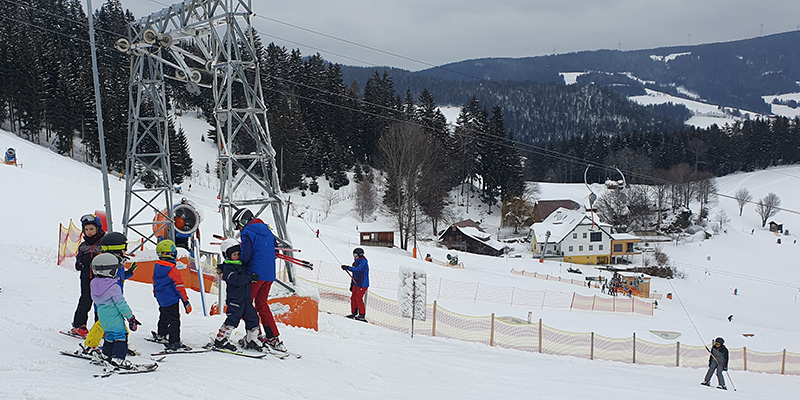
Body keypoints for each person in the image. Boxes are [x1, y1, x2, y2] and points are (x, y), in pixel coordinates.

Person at [233, 208, 286, 353]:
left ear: (243, 221)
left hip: (255, 274)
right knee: (262, 304)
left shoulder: (247, 232)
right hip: (269, 274)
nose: (239, 229)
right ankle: (273, 337)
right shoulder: (267, 229)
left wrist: (240, 265)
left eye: (238, 225)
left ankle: (254, 336)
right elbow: (276, 251)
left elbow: (245, 255)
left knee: (245, 303)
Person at [83, 232, 138, 353]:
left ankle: (120, 347)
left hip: (115, 301)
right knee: (101, 325)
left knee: (117, 328)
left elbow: (121, 277)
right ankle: (90, 345)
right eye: (124, 249)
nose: (126, 252)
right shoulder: (108, 264)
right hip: (107, 303)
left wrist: (131, 272)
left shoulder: (118, 263)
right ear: (116, 249)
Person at [89, 253, 141, 369]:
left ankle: (106, 355)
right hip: (114, 315)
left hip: (102, 316)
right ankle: (118, 358)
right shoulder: (113, 287)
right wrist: (130, 318)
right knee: (121, 335)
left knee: (110, 335)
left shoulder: (93, 283)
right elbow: (121, 304)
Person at [213, 239, 262, 351]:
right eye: (234, 254)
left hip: (245, 299)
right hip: (235, 300)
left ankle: (251, 340)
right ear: (227, 256)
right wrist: (249, 278)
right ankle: (221, 339)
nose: (237, 256)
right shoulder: (228, 268)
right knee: (233, 319)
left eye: (239, 254)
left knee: (253, 318)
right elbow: (236, 280)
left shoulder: (240, 265)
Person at [69, 214, 106, 338]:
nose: (89, 232)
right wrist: (79, 263)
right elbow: (78, 261)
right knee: (85, 300)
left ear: (98, 228)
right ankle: (79, 325)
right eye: (86, 229)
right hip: (86, 278)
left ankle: (100, 326)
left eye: (91, 229)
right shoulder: (83, 246)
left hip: (100, 279)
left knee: (101, 302)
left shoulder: (103, 243)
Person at [152, 239, 192, 350]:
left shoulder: (157, 267)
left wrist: (156, 294)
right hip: (172, 300)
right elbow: (179, 287)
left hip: (162, 299)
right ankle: (174, 341)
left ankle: (161, 334)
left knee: (164, 315)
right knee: (174, 320)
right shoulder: (172, 270)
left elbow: (155, 283)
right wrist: (186, 301)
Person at [341, 247, 370, 322]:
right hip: (356, 283)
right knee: (353, 298)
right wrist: (352, 284)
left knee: (358, 299)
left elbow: (358, 270)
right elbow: (354, 274)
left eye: (355, 255)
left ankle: (362, 314)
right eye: (353, 255)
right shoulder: (355, 262)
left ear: (360, 255)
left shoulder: (364, 262)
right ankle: (354, 312)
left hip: (362, 284)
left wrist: (348, 268)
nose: (354, 257)